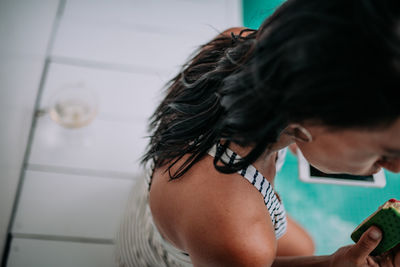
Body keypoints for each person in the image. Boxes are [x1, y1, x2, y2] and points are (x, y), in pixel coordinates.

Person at [115, 0, 400, 266]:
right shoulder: (240, 235)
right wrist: (330, 263)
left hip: (166, 205)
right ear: (305, 122)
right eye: (386, 154)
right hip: (155, 253)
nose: (397, 169)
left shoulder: (237, 48)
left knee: (303, 247)